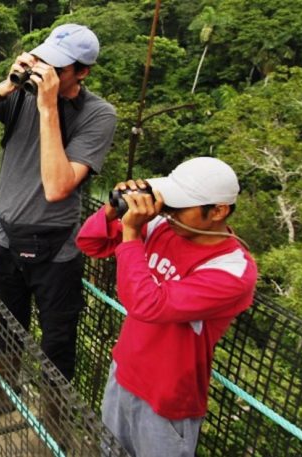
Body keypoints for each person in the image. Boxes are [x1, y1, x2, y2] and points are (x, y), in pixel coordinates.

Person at [0, 23, 117, 428]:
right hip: (4, 236)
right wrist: (5, 87)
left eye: (56, 67)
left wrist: (48, 107)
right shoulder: (20, 96)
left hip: (56, 251)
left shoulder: (97, 115)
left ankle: (54, 428)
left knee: (57, 345)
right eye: (42, 60)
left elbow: (58, 186)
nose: (44, 72)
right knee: (5, 325)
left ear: (82, 72)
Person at [76, 157, 258, 456]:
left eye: (179, 206)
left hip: (166, 400)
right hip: (123, 372)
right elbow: (90, 244)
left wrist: (132, 234)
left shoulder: (232, 271)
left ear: (218, 210)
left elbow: (147, 305)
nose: (169, 213)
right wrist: (111, 211)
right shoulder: (163, 226)